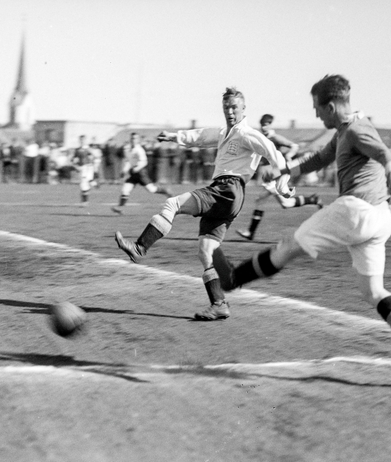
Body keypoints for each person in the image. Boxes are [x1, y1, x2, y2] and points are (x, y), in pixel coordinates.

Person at [212, 74, 391, 379]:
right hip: (380, 219)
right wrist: (287, 171)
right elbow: (321, 158)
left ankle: (233, 279)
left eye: (317, 108)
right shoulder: (345, 129)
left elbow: (386, 154)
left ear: (330, 106)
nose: (315, 114)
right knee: (373, 291)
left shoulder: (356, 130)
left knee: (289, 247)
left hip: (357, 211)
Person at [113, 87, 289, 320]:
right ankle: (219, 304)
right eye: (226, 107)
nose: (229, 111)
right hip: (228, 195)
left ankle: (140, 247)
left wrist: (283, 181)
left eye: (234, 107)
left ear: (244, 109)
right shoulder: (224, 132)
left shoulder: (247, 134)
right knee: (206, 251)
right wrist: (174, 136)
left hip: (227, 189)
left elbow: (272, 151)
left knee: (173, 204)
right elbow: (199, 136)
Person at [237, 112, 320, 241]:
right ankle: (312, 200)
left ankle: (250, 232)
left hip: (276, 176)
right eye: (262, 125)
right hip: (272, 176)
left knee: (261, 200)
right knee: (285, 203)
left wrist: (289, 155)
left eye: (266, 125)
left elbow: (294, 146)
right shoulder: (262, 138)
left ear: (270, 125)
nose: (264, 127)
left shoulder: (275, 137)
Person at [110, 132, 170, 214]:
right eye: (132, 138)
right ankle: (120, 207)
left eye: (135, 138)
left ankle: (166, 191)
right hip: (133, 173)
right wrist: (124, 170)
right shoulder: (128, 149)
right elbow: (129, 161)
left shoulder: (139, 150)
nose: (133, 140)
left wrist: (137, 168)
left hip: (141, 173)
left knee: (151, 189)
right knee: (125, 189)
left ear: (138, 140)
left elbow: (144, 162)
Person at [72, 134, 98, 204]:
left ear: (85, 140)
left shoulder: (88, 149)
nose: (82, 141)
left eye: (83, 140)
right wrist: (75, 165)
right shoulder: (77, 149)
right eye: (81, 140)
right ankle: (94, 183)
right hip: (82, 167)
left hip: (88, 167)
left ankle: (85, 201)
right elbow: (74, 159)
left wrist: (94, 165)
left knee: (84, 183)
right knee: (86, 181)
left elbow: (93, 157)